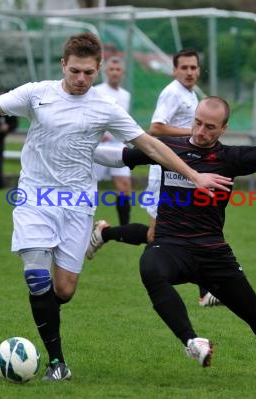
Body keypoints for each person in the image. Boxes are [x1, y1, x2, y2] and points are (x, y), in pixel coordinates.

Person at [0, 33, 231, 382]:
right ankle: (58, 363)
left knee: (64, 290)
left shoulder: (105, 109)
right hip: (35, 198)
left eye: (88, 72)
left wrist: (194, 175)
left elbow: (150, 145)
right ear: (63, 65)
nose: (81, 79)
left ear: (98, 68)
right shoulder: (38, 94)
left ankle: (89, 249)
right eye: (74, 71)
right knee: (36, 276)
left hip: (77, 205)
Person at [92, 96, 256, 378]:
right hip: (171, 244)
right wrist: (76, 145)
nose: (200, 131)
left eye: (209, 126)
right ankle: (192, 342)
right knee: (150, 267)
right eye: (197, 122)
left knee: (253, 312)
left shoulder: (229, 158)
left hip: (212, 251)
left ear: (223, 129)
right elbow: (120, 156)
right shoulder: (169, 148)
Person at [88, 49, 221, 307]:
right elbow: (157, 127)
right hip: (164, 173)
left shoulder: (190, 94)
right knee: (158, 234)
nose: (190, 72)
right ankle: (105, 233)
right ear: (175, 70)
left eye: (194, 68)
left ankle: (204, 291)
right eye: (184, 68)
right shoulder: (172, 92)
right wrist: (196, 132)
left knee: (183, 228)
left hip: (180, 174)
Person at [93, 56, 133, 225]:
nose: (115, 73)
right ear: (106, 72)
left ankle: (125, 228)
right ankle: (82, 223)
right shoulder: (96, 91)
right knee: (89, 187)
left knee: (124, 186)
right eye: (112, 69)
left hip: (118, 146)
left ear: (123, 73)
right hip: (98, 146)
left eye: (118, 70)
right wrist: (98, 132)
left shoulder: (126, 95)